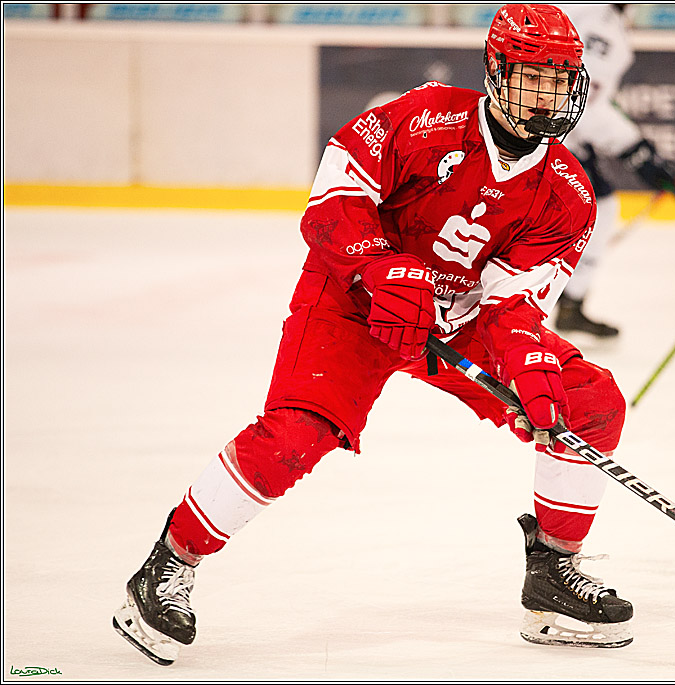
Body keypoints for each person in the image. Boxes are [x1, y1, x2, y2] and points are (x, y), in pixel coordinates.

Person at [112, 4, 636, 665]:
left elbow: (512, 303)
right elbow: (333, 196)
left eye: (562, 80)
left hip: (454, 324)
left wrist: (528, 359)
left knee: (586, 400)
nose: (550, 95)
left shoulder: (566, 193)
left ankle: (553, 574)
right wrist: (378, 265)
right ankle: (167, 563)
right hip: (353, 304)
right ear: (497, 74)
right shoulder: (425, 116)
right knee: (296, 434)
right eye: (534, 78)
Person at [553, 3, 675, 339]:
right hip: (553, 136)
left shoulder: (586, 13)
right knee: (600, 206)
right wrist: (636, 151)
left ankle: (565, 301)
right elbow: (579, 103)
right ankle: (569, 303)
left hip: (546, 131)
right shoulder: (602, 27)